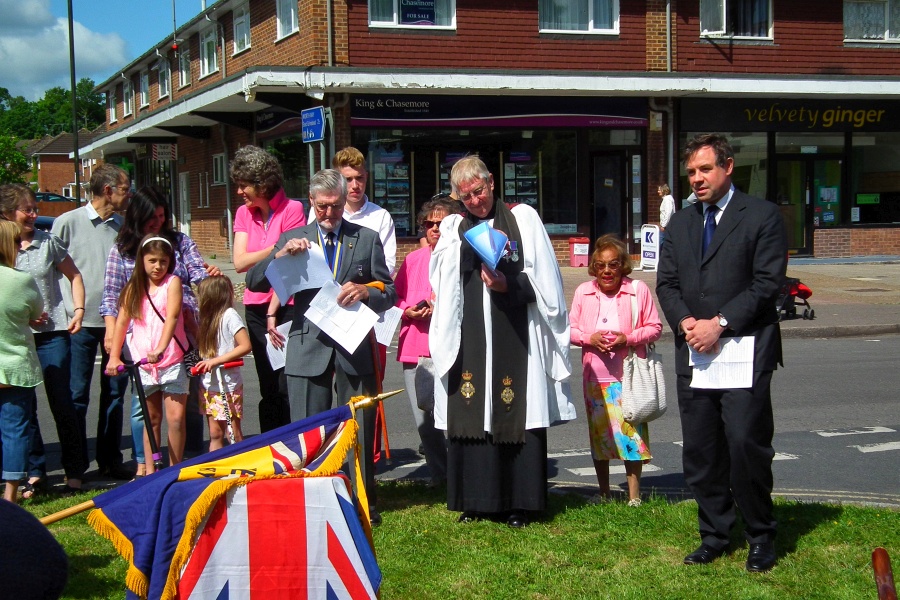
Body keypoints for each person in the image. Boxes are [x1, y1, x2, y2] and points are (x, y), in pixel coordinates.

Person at [656, 133, 787, 573]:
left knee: (746, 445)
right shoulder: (681, 223)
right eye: (691, 172)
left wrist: (721, 323)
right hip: (695, 352)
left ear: (728, 167)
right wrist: (685, 322)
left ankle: (760, 535)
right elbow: (667, 285)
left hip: (744, 349)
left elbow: (767, 283)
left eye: (705, 169)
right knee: (701, 450)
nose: (696, 178)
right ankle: (714, 534)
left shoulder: (762, 216)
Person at [429, 155, 575, 528]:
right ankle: (475, 500)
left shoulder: (523, 219)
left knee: (515, 408)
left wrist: (508, 284)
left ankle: (517, 503)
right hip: (470, 334)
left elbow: (547, 285)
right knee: (471, 406)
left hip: (516, 331)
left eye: (479, 191)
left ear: (491, 182)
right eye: (466, 197)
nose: (475, 201)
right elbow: (441, 278)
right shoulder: (452, 226)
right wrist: (463, 249)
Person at [246, 169, 396, 526]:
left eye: (337, 206)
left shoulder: (366, 237)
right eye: (323, 206)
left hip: (352, 344)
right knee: (308, 431)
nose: (330, 214)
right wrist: (279, 253)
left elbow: (388, 291)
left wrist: (367, 292)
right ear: (311, 202)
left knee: (356, 427)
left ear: (346, 202)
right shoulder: (294, 236)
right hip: (307, 343)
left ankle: (361, 502)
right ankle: (310, 503)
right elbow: (253, 281)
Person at [101, 186, 218, 475]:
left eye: (162, 216)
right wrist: (110, 333)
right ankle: (145, 464)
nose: (157, 222)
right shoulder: (123, 249)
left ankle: (185, 460)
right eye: (151, 217)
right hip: (142, 338)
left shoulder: (179, 242)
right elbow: (112, 295)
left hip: (182, 333)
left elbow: (197, 274)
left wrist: (213, 283)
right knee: (145, 408)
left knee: (187, 403)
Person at [1, 184, 86, 496]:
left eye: (35, 208)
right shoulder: (3, 246)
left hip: (52, 335)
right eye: (27, 209)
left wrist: (77, 309)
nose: (34, 214)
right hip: (18, 339)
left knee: (62, 402)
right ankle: (35, 472)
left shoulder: (48, 242)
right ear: (8, 213)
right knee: (25, 410)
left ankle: (75, 470)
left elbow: (74, 275)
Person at [51, 164, 133, 480]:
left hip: (116, 323)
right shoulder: (66, 223)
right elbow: (52, 269)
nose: (130, 194)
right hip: (78, 325)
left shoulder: (124, 226)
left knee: (114, 394)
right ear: (108, 190)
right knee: (76, 395)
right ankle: (75, 466)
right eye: (126, 188)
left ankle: (110, 460)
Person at [569, 234, 662, 506]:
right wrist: (589, 338)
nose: (607, 271)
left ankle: (634, 497)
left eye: (613, 265)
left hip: (628, 376)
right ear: (593, 268)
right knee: (600, 437)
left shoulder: (637, 290)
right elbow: (570, 329)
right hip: (595, 376)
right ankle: (604, 493)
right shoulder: (583, 292)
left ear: (623, 266)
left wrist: (627, 338)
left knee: (631, 437)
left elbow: (654, 327)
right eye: (600, 265)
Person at [230, 145, 307, 433]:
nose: (240, 192)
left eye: (244, 185)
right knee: (267, 384)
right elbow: (239, 262)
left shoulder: (293, 209)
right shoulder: (243, 214)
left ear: (262, 182)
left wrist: (274, 256)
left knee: (286, 381)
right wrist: (276, 250)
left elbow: (290, 266)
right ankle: (269, 444)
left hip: (283, 305)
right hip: (254, 307)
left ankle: (292, 444)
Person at [106, 235, 189, 475]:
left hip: (171, 360)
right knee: (151, 419)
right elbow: (121, 323)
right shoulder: (133, 288)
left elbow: (172, 317)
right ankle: (151, 470)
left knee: (175, 418)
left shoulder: (172, 283)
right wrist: (114, 357)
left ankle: (175, 470)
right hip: (144, 363)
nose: (158, 267)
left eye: (163, 261)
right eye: (152, 261)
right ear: (141, 261)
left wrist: (162, 348)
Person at [393, 196, 458, 486]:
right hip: (416, 346)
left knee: (456, 416)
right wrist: (408, 310)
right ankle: (441, 477)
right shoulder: (413, 260)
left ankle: (462, 474)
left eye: (441, 223)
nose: (434, 228)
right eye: (428, 223)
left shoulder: (460, 256)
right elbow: (394, 298)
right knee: (425, 420)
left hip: (453, 347)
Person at [0, 220, 44, 503]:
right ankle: (11, 494)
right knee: (15, 432)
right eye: (17, 242)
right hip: (15, 366)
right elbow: (37, 311)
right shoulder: (22, 280)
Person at [193, 275, 251, 451]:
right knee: (215, 433)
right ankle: (217, 468)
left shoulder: (230, 315)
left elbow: (245, 345)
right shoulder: (205, 319)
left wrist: (217, 361)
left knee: (232, 432)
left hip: (228, 384)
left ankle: (239, 465)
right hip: (210, 385)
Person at [327, 147, 397, 274]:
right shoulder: (324, 213)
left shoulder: (380, 217)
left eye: (359, 178)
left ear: (366, 177)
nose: (355, 186)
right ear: (337, 180)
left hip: (365, 289)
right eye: (348, 179)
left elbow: (388, 264)